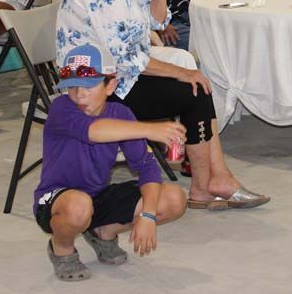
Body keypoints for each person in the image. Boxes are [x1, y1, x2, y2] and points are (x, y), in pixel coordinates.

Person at [57, 0, 269, 209]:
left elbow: (154, 22)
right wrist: (180, 73)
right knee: (193, 88)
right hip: (93, 88)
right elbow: (127, 59)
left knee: (196, 86)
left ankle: (212, 181)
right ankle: (209, 183)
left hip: (113, 77)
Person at [34, 43, 187, 282]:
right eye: (72, 87)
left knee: (174, 199)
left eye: (88, 85)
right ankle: (61, 248)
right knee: (78, 206)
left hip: (97, 195)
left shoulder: (122, 114)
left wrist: (147, 216)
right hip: (57, 200)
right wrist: (151, 129)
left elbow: (146, 167)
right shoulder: (61, 108)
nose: (79, 94)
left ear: (111, 85)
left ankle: (103, 232)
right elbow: (93, 131)